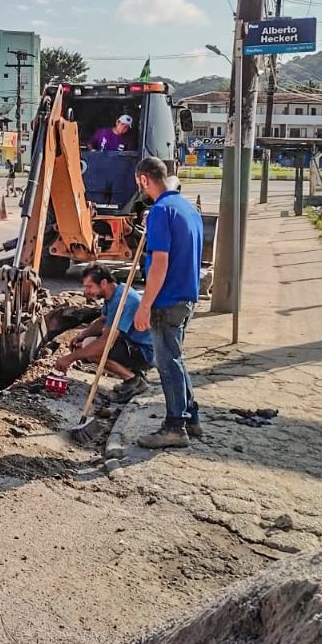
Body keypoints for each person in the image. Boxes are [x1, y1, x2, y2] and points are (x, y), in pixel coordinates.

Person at [131, 156, 205, 448]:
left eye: (139, 183)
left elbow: (160, 263)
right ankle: (192, 417)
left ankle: (175, 426)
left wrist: (145, 305)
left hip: (167, 299)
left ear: (144, 179)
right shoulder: (187, 208)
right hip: (187, 295)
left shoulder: (162, 211)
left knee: (167, 362)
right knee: (176, 358)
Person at [54, 264, 154, 402]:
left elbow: (106, 343)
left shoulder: (122, 301)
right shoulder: (114, 294)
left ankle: (133, 381)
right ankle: (133, 374)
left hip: (145, 352)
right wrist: (82, 334)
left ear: (104, 283)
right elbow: (102, 321)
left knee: (92, 347)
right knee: (87, 343)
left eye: (89, 287)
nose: (86, 291)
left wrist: (70, 358)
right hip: (133, 343)